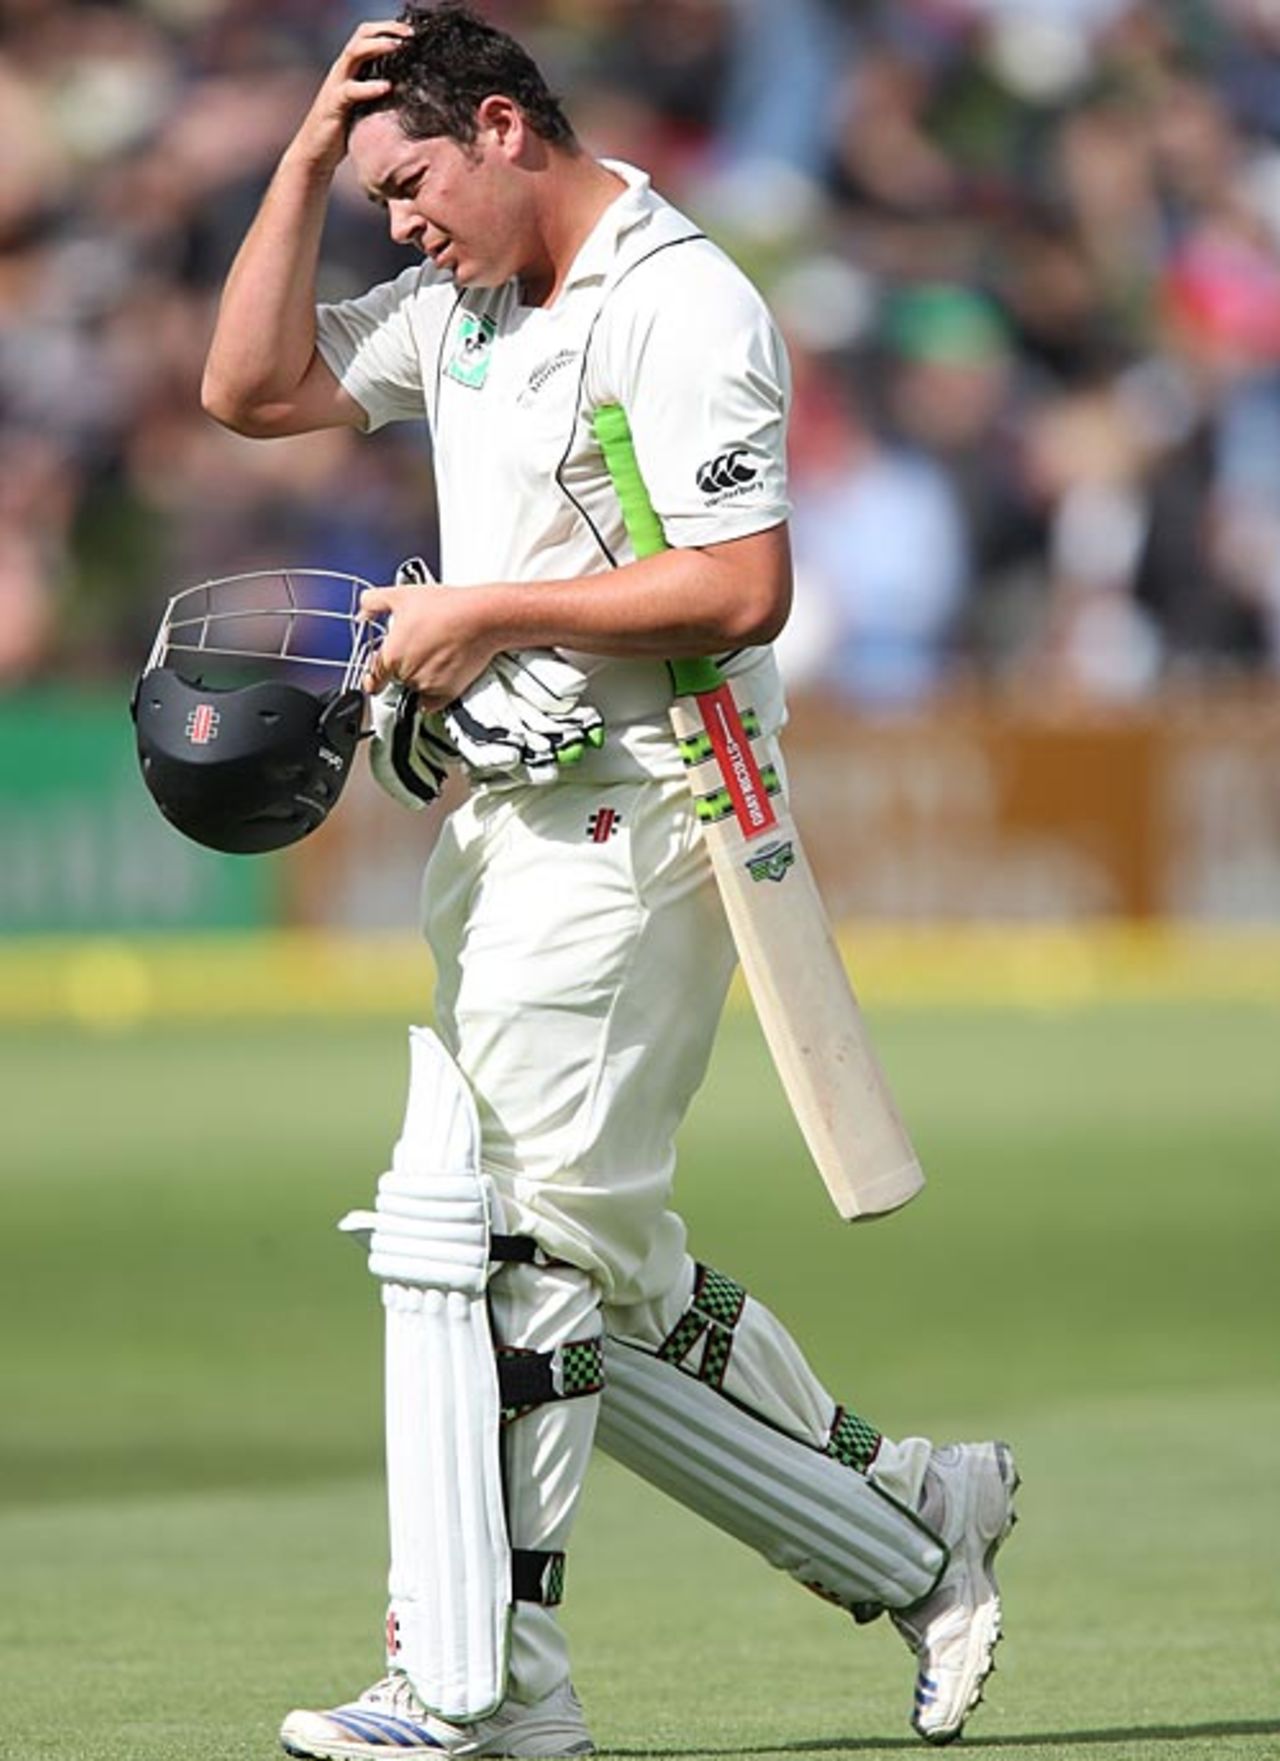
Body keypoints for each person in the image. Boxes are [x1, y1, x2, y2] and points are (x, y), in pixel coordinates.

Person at [201, 6, 1019, 1755]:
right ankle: (913, 1515)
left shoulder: (681, 298)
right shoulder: (469, 307)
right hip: (499, 827)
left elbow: (740, 586)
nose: (397, 227)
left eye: (410, 185)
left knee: (502, 1243)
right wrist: (299, 154)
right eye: (373, 204)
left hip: (652, 813)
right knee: (595, 1276)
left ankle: (489, 1690)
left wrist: (488, 608)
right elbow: (249, 390)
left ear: (505, 127)